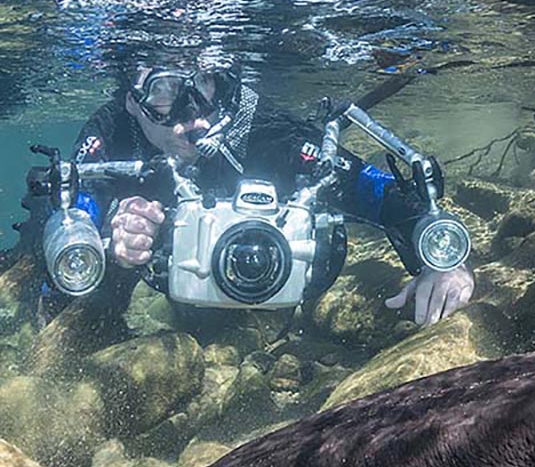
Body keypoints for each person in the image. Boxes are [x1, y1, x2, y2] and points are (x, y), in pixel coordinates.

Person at [63, 54, 474, 326]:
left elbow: (377, 191)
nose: (194, 117)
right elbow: (66, 221)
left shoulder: (258, 126)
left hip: (264, 299)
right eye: (165, 91)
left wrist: (439, 257)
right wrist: (106, 240)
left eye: (207, 83)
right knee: (84, 311)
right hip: (167, 292)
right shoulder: (112, 133)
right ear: (132, 100)